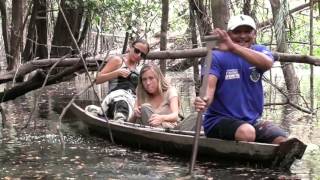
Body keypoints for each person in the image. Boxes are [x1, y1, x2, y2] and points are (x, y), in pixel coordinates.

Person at [194, 14, 288, 144]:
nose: (243, 36)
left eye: (247, 31)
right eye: (237, 32)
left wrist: (233, 48)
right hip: (218, 120)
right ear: (228, 34)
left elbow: (267, 63)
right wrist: (203, 101)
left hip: (252, 121)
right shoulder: (216, 56)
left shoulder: (260, 51)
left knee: (282, 139)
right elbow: (208, 89)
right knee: (247, 133)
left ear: (254, 34)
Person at [94, 39, 150, 121]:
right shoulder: (118, 61)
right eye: (137, 51)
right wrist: (116, 73)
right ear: (130, 47)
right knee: (122, 103)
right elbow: (97, 79)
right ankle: (120, 119)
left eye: (143, 55)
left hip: (132, 101)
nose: (139, 55)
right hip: (115, 99)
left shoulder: (139, 69)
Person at [129, 63, 179, 129]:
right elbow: (129, 123)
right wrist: (135, 115)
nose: (148, 83)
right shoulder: (141, 92)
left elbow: (175, 116)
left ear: (159, 78)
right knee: (144, 108)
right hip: (144, 131)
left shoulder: (170, 91)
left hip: (166, 130)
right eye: (144, 79)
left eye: (151, 78)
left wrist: (162, 118)